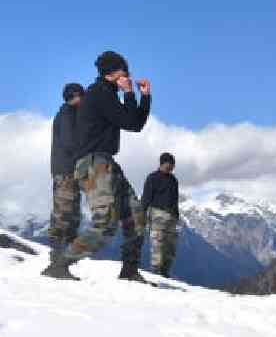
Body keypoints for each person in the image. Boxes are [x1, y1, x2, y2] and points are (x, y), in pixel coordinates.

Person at [42, 51, 152, 284]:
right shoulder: (98, 94)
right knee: (105, 223)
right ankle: (60, 264)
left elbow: (136, 123)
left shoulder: (108, 94)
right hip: (93, 164)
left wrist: (144, 97)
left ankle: (129, 270)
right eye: (124, 71)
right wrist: (130, 93)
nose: (128, 75)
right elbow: (129, 122)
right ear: (112, 73)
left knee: (136, 215)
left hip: (107, 162)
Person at [46, 83, 84, 270]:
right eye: (81, 96)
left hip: (70, 171)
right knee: (63, 214)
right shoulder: (67, 115)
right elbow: (71, 143)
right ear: (75, 96)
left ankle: (63, 262)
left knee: (72, 215)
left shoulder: (70, 115)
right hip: (65, 171)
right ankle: (56, 261)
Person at [142, 153, 180, 277]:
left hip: (171, 216)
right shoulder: (152, 178)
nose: (172, 167)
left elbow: (175, 199)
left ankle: (164, 271)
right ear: (163, 163)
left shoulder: (173, 180)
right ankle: (156, 271)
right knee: (158, 244)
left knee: (170, 246)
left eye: (173, 164)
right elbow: (146, 197)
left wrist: (176, 215)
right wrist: (142, 213)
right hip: (157, 214)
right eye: (170, 164)